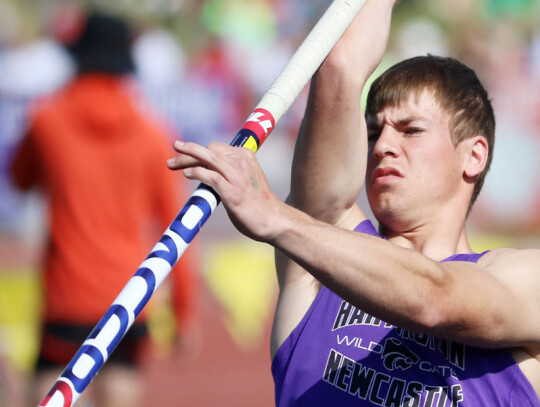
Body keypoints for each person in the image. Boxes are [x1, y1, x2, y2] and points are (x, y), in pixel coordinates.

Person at [167, 0, 540, 405]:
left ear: (474, 155)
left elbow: (435, 299)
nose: (383, 146)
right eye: (373, 132)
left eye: (410, 130)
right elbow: (338, 66)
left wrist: (276, 216)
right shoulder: (320, 251)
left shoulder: (526, 278)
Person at [9, 11, 198, 407]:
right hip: (130, 295)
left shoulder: (46, 120)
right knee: (121, 387)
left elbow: (18, 177)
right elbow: (176, 226)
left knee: (45, 391)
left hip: (68, 292)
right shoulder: (151, 133)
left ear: (78, 57)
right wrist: (184, 310)